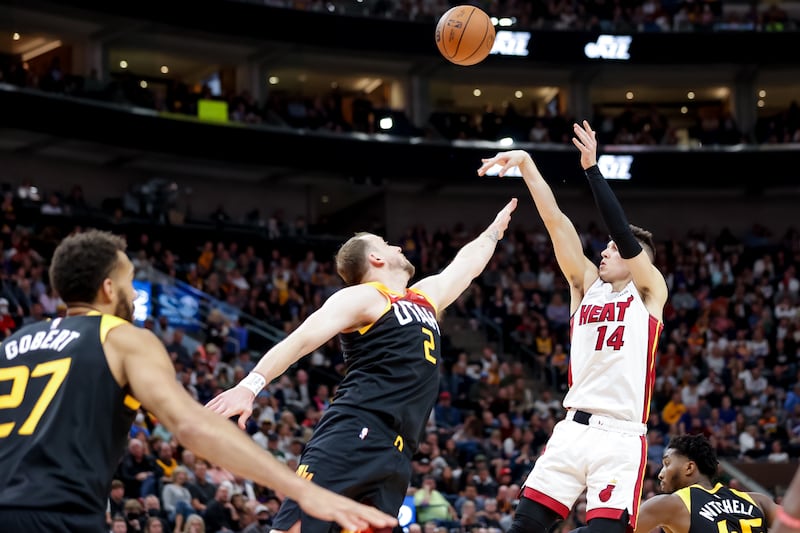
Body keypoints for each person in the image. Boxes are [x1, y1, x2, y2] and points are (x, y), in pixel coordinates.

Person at [0, 230, 396, 533]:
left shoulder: (12, 344)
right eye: (129, 282)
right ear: (107, 288)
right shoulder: (119, 336)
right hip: (59, 515)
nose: (134, 295)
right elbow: (190, 426)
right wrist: (303, 490)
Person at [207, 198, 518, 533]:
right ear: (376, 257)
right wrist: (249, 386)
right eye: (387, 244)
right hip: (355, 432)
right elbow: (302, 338)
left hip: (397, 451)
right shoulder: (365, 297)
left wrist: (493, 232)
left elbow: (465, 267)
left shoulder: (423, 298)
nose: (397, 246)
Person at [476, 120, 669, 533]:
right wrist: (527, 165)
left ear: (640, 262)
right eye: (606, 246)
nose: (604, 250)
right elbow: (556, 222)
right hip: (571, 430)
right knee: (523, 527)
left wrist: (591, 168)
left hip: (620, 437)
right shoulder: (586, 284)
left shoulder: (650, 293)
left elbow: (621, 230)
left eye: (614, 249)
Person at [633, 434, 776, 533]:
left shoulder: (671, 503)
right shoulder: (758, 501)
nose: (660, 474)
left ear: (689, 468)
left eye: (667, 464)